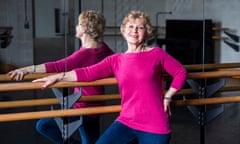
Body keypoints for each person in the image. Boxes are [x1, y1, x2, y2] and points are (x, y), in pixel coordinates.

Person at [32, 10, 187, 144]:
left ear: (146, 32)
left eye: (140, 27)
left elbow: (180, 72)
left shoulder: (156, 54)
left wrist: (168, 96)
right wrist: (57, 77)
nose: (134, 31)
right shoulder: (115, 60)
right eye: (131, 27)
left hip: (155, 125)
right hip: (126, 121)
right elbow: (86, 73)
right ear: (124, 31)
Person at [8, 10, 114, 144]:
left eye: (78, 24)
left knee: (43, 125)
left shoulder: (84, 54)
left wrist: (27, 69)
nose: (76, 27)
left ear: (84, 29)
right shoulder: (103, 48)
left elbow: (57, 66)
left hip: (84, 107)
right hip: (95, 106)